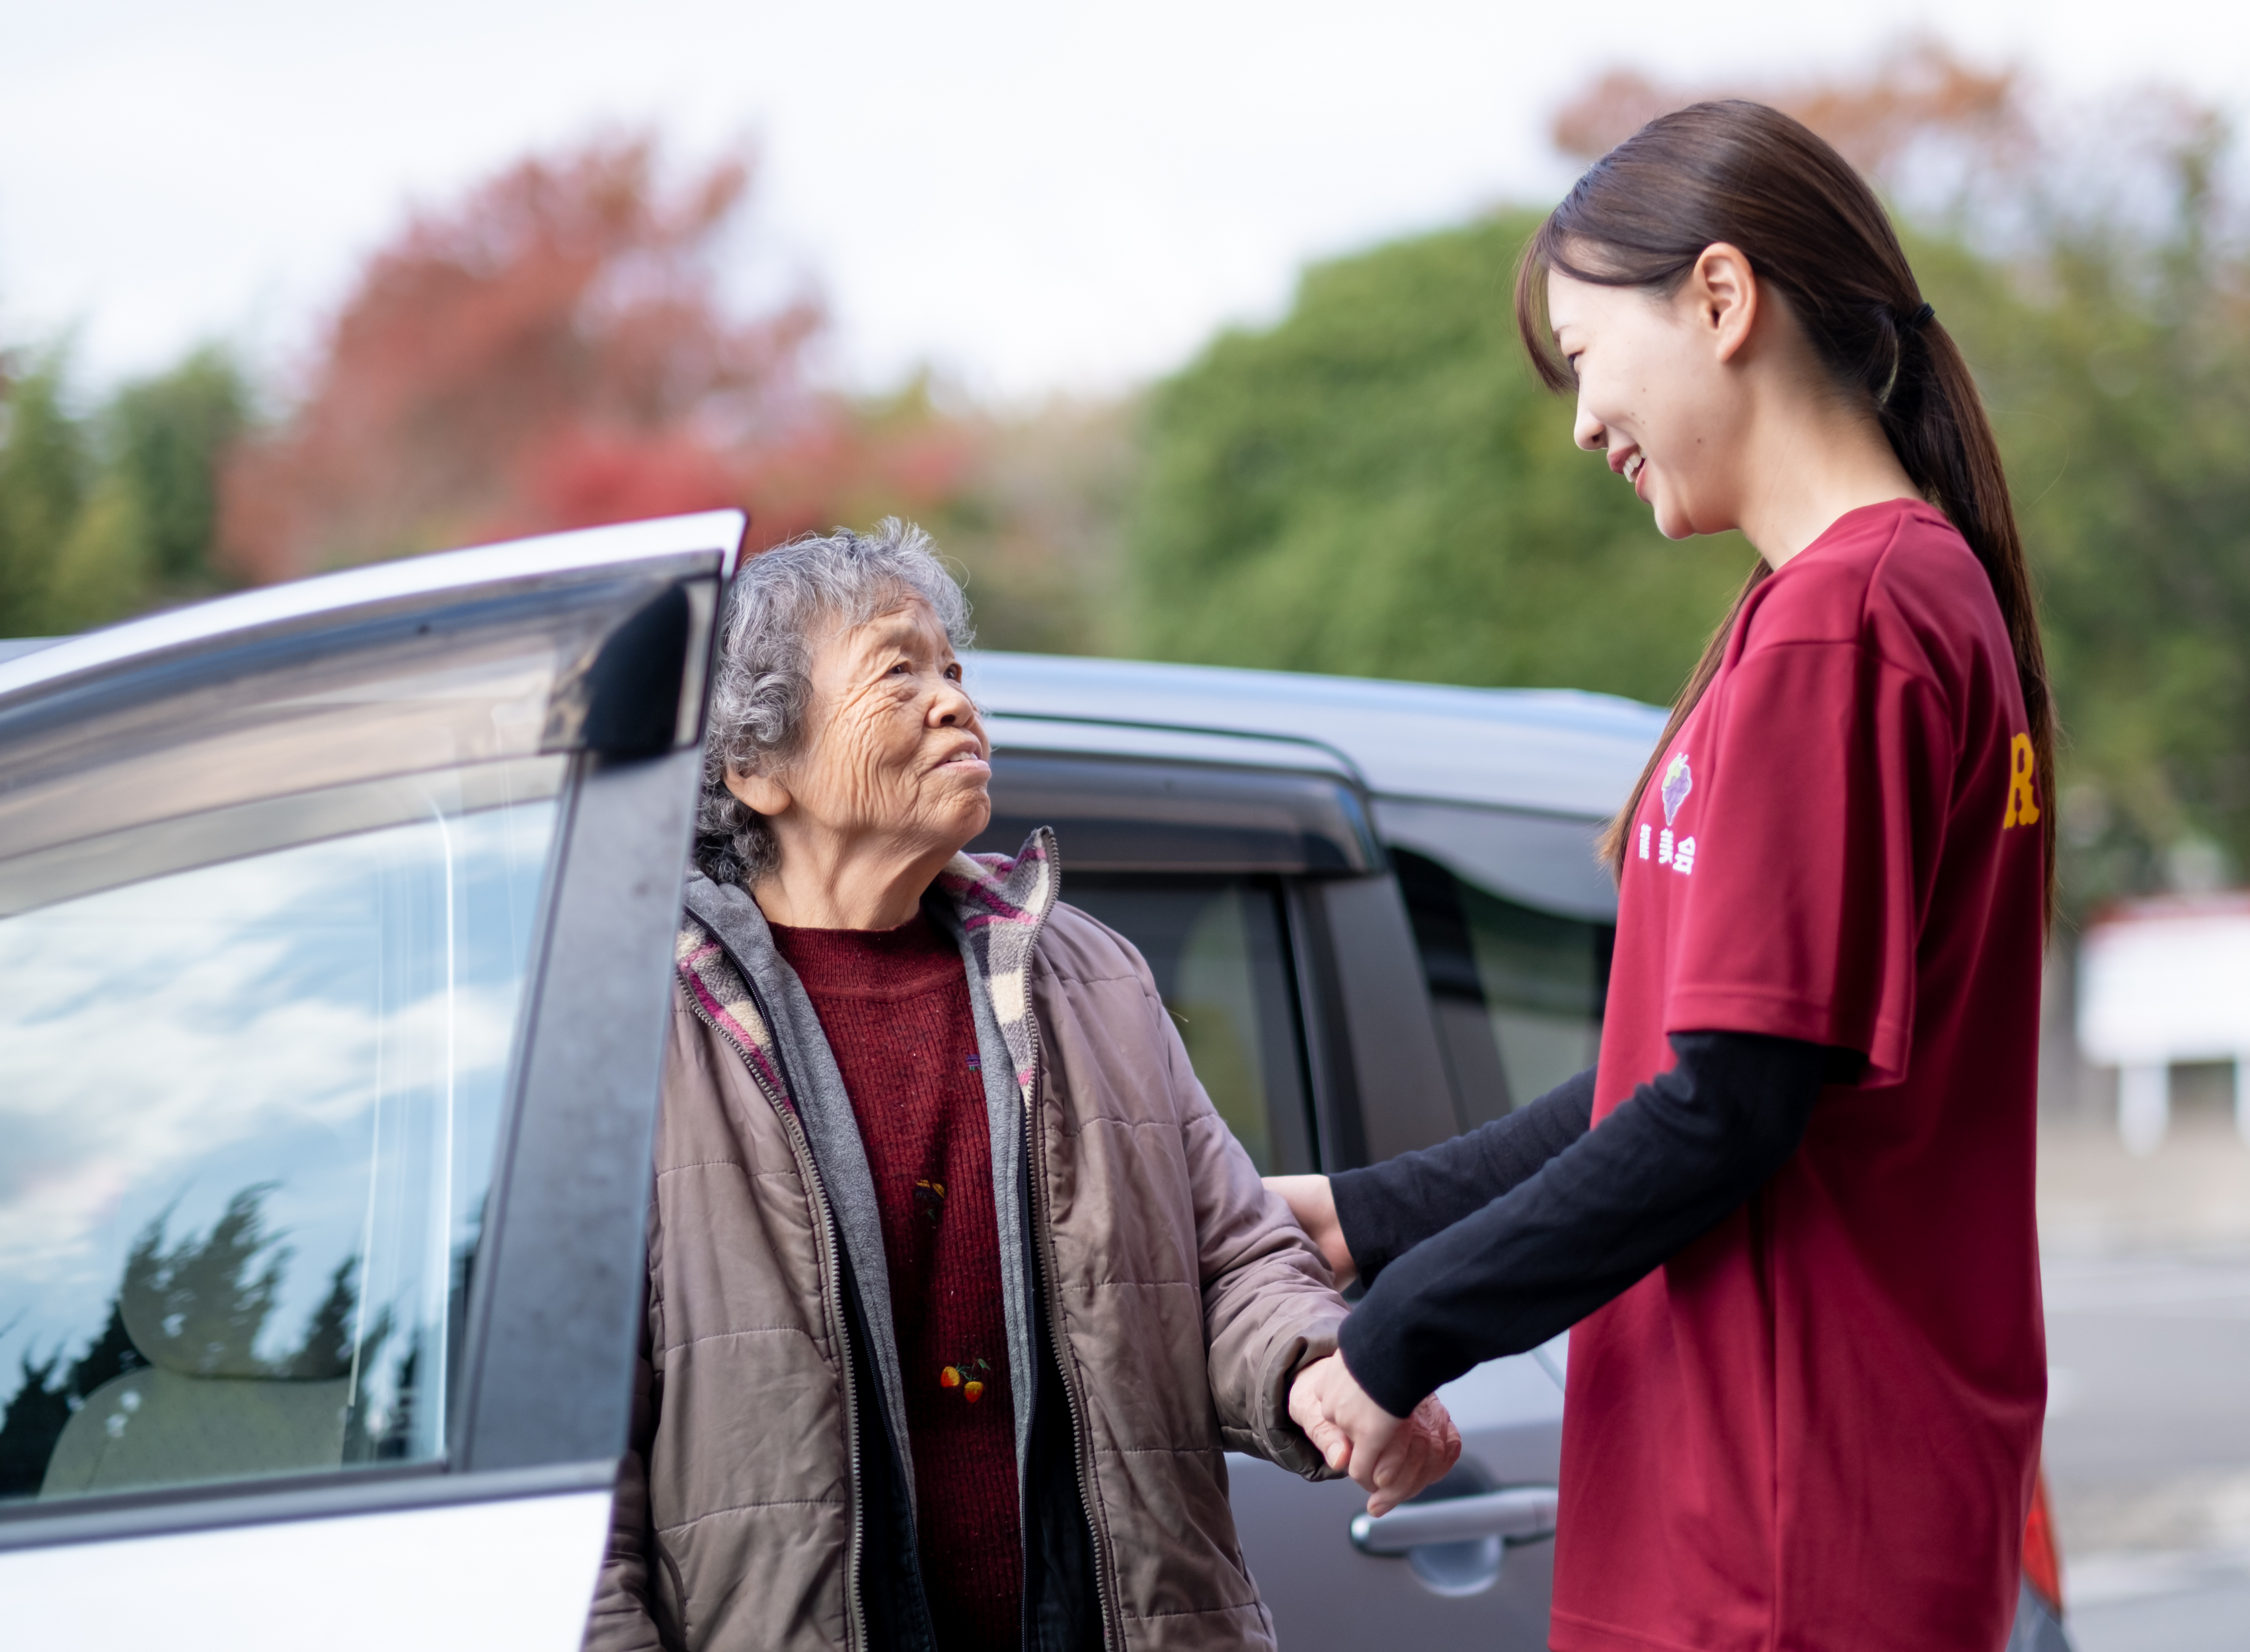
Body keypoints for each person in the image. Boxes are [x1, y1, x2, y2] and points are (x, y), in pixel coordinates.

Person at [1275, 100, 2054, 1651]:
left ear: (1719, 297)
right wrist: (1363, 1216)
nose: (1583, 423)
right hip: (1774, 1517)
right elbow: (1685, 1069)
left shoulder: (1852, 619)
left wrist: (1394, 1339)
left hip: (1787, 1536)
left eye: (1584, 357)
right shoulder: (1856, 603)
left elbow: (1723, 1110)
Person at [589, 521, 1459, 1652]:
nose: (955, 702)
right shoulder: (643, 1032)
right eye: (897, 671)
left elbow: (1229, 1261)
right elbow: (573, 1475)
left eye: (954, 670)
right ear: (756, 768)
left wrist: (1323, 1368)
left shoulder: (1086, 975)